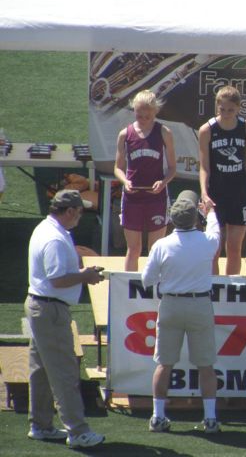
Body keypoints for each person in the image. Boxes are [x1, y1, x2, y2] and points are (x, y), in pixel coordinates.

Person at [26, 189, 105, 449]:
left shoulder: (46, 229)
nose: (80, 216)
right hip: (51, 309)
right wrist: (86, 276)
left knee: (41, 370)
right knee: (64, 372)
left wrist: (82, 272)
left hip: (41, 306)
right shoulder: (56, 239)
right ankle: (78, 431)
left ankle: (41, 424)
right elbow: (58, 279)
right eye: (79, 212)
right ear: (69, 211)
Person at [142, 190, 221, 434]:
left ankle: (157, 417)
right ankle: (209, 419)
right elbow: (216, 229)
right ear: (195, 218)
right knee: (206, 366)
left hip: (171, 305)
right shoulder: (207, 242)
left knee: (164, 364)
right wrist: (210, 210)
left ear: (172, 219)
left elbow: (147, 279)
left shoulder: (161, 245)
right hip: (199, 305)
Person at [114, 89, 177, 272]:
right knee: (133, 249)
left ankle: (155, 289)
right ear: (134, 110)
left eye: (147, 116)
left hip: (156, 198)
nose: (142, 119)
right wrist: (125, 182)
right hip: (132, 197)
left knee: (155, 250)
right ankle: (129, 290)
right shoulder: (125, 134)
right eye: (139, 115)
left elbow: (173, 168)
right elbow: (118, 168)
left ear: (155, 112)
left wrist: (163, 182)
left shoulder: (164, 132)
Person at [198, 85, 246, 275]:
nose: (226, 113)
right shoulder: (207, 130)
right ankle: (214, 290)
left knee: (234, 248)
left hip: (239, 192)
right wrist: (204, 194)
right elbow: (204, 166)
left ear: (238, 108)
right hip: (216, 193)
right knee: (214, 249)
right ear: (217, 107)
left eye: (230, 110)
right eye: (222, 109)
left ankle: (232, 292)